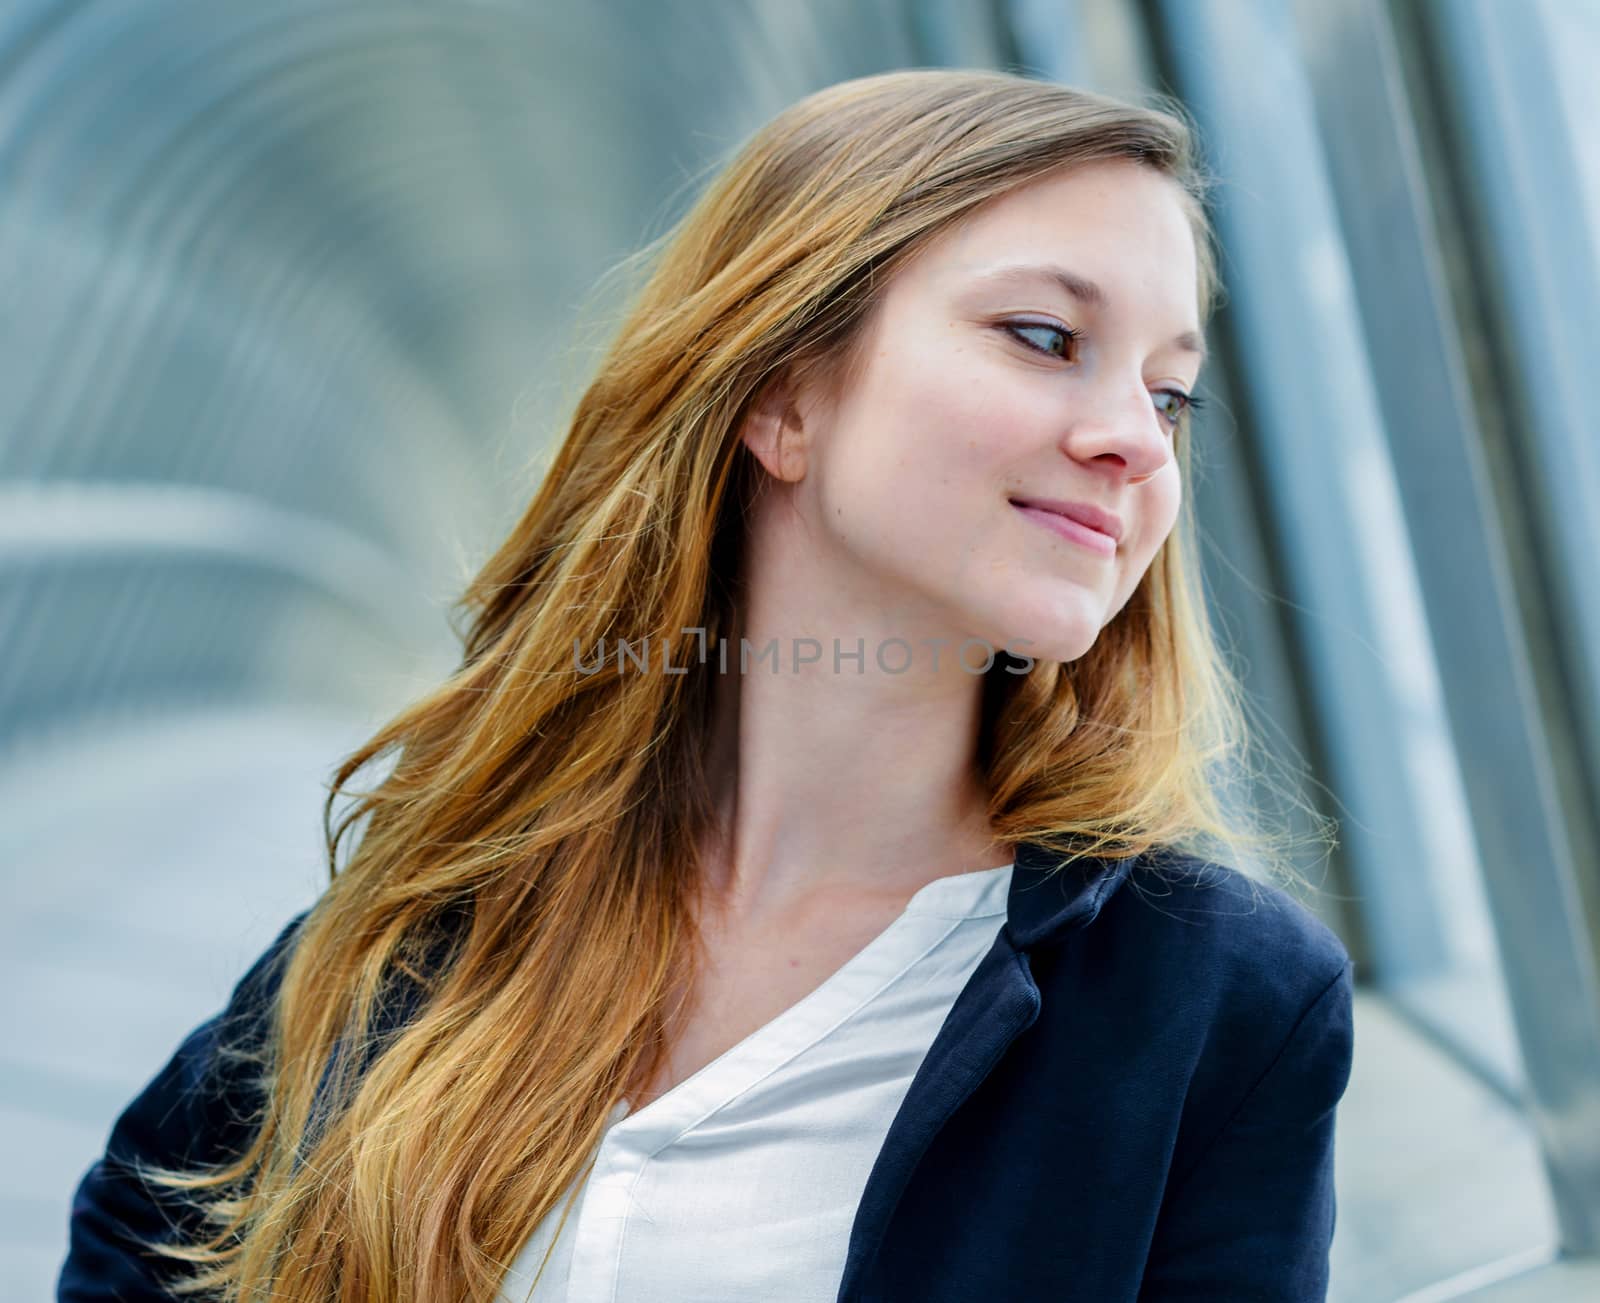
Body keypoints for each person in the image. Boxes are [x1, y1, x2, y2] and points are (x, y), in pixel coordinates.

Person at [59, 67, 1355, 1302]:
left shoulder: (1217, 1008)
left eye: (1171, 394)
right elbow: (146, 1240)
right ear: (783, 397)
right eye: (1043, 334)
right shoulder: (483, 873)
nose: (1131, 436)